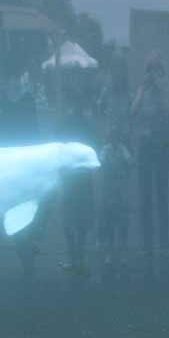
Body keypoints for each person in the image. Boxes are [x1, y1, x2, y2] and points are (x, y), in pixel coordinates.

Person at [0, 65, 46, 282]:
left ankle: (27, 245)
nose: (14, 82)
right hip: (12, 161)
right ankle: (25, 248)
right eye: (12, 78)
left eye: (15, 78)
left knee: (27, 204)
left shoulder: (15, 101)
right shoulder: (7, 102)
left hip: (21, 160)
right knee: (17, 206)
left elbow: (33, 129)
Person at [130, 51, 169, 276]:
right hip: (146, 146)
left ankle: (164, 244)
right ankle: (147, 245)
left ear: (161, 71)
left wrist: (159, 87)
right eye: (149, 69)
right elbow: (133, 110)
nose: (152, 73)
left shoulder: (165, 88)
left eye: (156, 69)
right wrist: (143, 88)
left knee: (162, 195)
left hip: (162, 146)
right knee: (145, 197)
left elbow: (168, 109)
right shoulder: (143, 89)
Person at [57, 89, 97, 276]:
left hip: (74, 175)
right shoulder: (84, 123)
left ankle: (76, 255)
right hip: (78, 175)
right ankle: (77, 255)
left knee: (73, 216)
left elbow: (59, 144)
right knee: (78, 216)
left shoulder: (66, 122)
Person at [98, 126, 133, 278]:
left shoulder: (122, 149)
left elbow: (130, 162)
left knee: (122, 221)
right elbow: (100, 164)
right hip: (109, 190)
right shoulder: (105, 150)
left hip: (119, 189)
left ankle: (123, 253)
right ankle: (110, 254)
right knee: (110, 221)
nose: (113, 140)